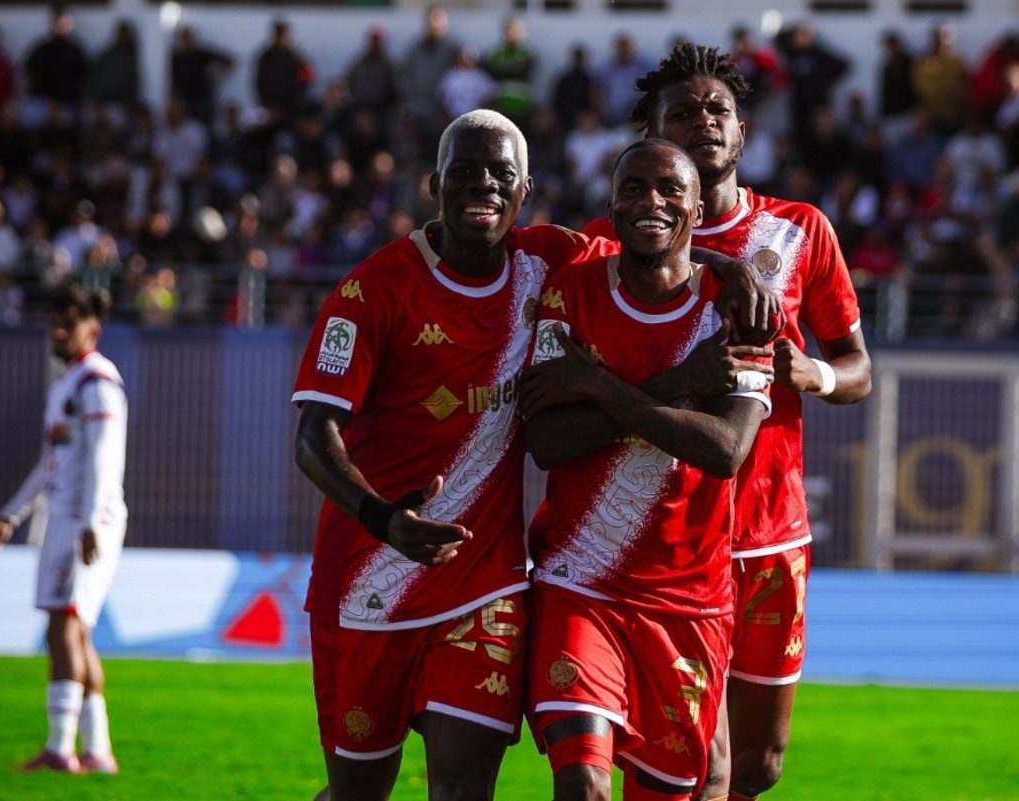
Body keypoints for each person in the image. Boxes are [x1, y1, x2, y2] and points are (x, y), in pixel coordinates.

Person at [292, 109, 776, 801]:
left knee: (466, 789)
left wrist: (730, 268)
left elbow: (656, 232)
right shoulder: (370, 292)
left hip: (481, 582)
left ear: (525, 194)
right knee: (357, 792)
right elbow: (313, 435)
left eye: (501, 175)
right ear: (434, 184)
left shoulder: (547, 260)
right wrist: (381, 517)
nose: (482, 186)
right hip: (374, 571)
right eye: (464, 172)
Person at [588, 43, 872, 801]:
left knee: (758, 765)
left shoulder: (800, 230)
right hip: (667, 531)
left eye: (717, 110)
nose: (703, 121)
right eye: (681, 112)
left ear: (742, 131)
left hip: (773, 528)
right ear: (649, 134)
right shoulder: (617, 237)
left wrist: (812, 372)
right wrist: (723, 266)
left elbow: (858, 368)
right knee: (695, 759)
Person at [521, 137, 772, 801]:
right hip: (580, 581)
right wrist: (679, 386)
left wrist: (600, 385)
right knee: (582, 784)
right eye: (633, 188)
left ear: (697, 208)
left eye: (669, 191)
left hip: (688, 596)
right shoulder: (568, 292)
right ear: (610, 202)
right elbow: (548, 439)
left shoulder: (740, 310)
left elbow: (724, 450)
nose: (650, 203)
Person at [0, 284, 126, 774]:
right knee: (76, 630)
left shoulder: (97, 383)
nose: (59, 330)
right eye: (56, 320)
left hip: (84, 519)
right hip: (71, 517)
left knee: (62, 624)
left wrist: (89, 522)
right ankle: (99, 751)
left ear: (93, 330)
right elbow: (52, 464)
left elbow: (105, 459)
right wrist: (9, 516)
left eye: (70, 322)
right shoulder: (68, 382)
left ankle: (60, 750)